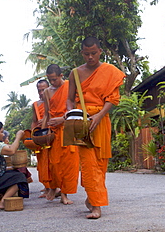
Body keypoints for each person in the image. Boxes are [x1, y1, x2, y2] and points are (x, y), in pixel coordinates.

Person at [66, 37, 125, 219]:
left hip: (101, 119)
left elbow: (113, 98)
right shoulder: (75, 73)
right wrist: (72, 115)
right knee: (89, 165)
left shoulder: (110, 71)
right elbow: (69, 99)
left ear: (100, 51)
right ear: (82, 53)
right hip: (82, 122)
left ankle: (92, 198)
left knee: (100, 163)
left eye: (93, 53)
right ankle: (96, 206)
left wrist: (99, 116)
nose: (90, 57)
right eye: (86, 54)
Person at [43, 64, 79, 204]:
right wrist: (45, 131)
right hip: (54, 132)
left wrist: (62, 119)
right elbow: (46, 114)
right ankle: (54, 187)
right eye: (50, 80)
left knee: (69, 164)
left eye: (54, 79)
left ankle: (65, 194)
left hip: (68, 129)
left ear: (60, 76)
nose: (52, 83)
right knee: (55, 164)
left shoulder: (70, 86)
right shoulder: (47, 92)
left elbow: (75, 108)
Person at [31, 79, 51, 198]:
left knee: (52, 162)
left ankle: (55, 187)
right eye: (39, 90)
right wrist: (32, 136)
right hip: (40, 135)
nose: (41, 92)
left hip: (51, 134)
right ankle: (47, 186)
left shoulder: (54, 101)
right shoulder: (36, 105)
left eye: (44, 90)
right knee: (42, 162)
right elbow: (34, 121)